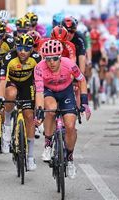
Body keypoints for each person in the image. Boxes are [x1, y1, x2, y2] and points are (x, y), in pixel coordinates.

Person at [34, 39, 91, 179]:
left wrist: (84, 102)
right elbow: (39, 92)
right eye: (47, 59)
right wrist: (39, 110)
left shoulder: (70, 65)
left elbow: (82, 80)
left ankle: (70, 158)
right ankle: (48, 143)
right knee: (51, 109)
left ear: (60, 57)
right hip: (48, 92)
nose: (51, 62)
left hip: (66, 92)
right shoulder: (39, 68)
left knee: (70, 125)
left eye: (54, 58)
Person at [0, 34, 41, 170]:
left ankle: (30, 157)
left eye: (26, 49)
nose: (22, 52)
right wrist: (0, 98)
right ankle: (7, 125)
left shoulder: (37, 58)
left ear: (31, 49)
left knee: (29, 116)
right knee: (11, 94)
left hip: (27, 85)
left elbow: (40, 83)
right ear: (16, 48)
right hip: (12, 83)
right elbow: (3, 80)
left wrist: (40, 104)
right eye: (20, 48)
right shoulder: (9, 57)